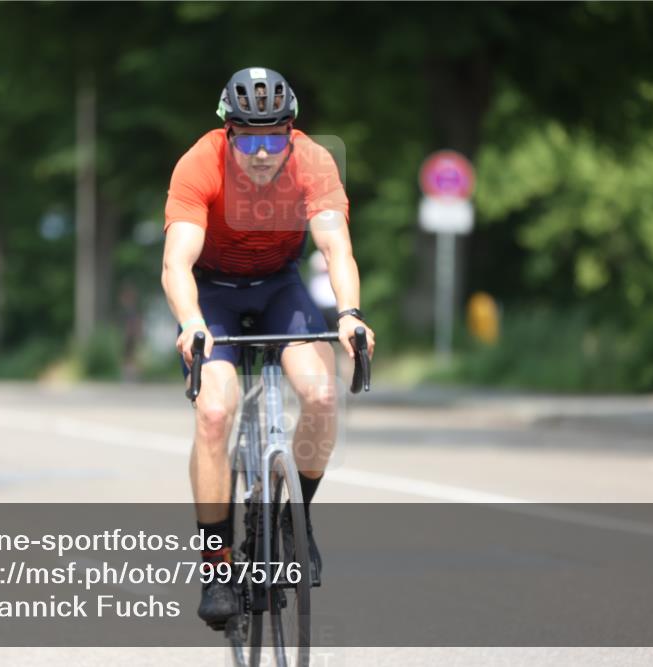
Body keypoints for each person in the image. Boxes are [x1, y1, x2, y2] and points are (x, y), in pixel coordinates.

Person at [161, 67, 375, 627]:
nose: (262, 152)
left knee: (323, 394)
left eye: (274, 138)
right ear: (228, 132)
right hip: (214, 293)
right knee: (213, 412)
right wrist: (189, 320)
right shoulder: (199, 163)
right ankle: (215, 561)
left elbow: (335, 247)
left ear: (291, 132)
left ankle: (294, 520)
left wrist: (350, 314)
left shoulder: (312, 162)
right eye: (249, 139)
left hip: (280, 286)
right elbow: (177, 261)